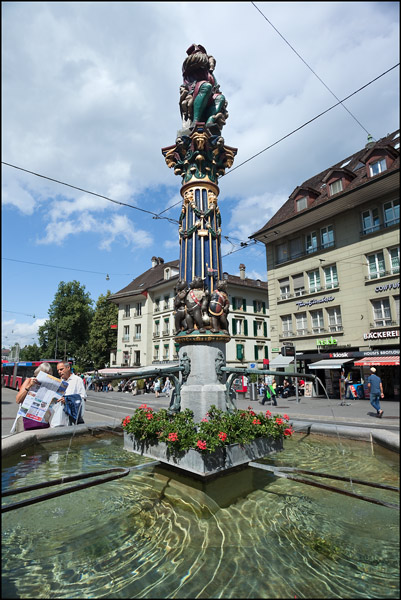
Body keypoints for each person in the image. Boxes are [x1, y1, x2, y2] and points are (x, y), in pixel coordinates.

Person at [14, 362, 54, 433]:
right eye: (45, 373)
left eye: (49, 374)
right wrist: (30, 386)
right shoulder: (29, 381)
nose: (47, 376)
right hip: (26, 417)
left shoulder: (49, 386)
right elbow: (18, 400)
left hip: (42, 418)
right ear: (39, 373)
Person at [50, 361, 87, 427]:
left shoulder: (77, 380)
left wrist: (67, 400)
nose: (59, 372)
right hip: (60, 416)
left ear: (68, 368)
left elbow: (82, 397)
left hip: (72, 417)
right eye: (58, 370)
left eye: (61, 369)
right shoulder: (60, 381)